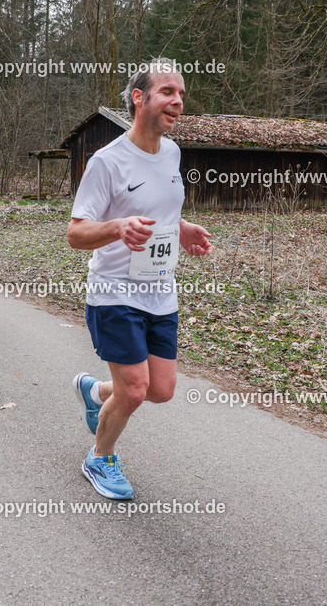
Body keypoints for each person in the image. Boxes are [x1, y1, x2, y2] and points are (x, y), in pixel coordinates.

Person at [67, 58, 213, 500]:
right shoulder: (106, 162)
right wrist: (116, 227)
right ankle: (100, 458)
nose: (178, 102)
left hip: (160, 291)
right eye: (168, 92)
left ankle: (95, 393)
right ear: (139, 97)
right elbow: (75, 233)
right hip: (114, 292)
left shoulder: (172, 153)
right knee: (134, 391)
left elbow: (165, 209)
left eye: (182, 95)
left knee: (161, 390)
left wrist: (182, 228)